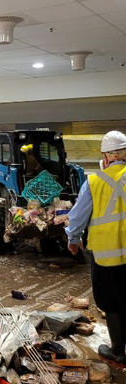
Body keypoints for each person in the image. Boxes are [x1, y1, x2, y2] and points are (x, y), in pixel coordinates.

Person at [66, 130, 126, 365]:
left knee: (111, 301)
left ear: (107, 156)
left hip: (106, 255)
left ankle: (119, 351)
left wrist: (73, 239)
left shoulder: (94, 181)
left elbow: (78, 216)